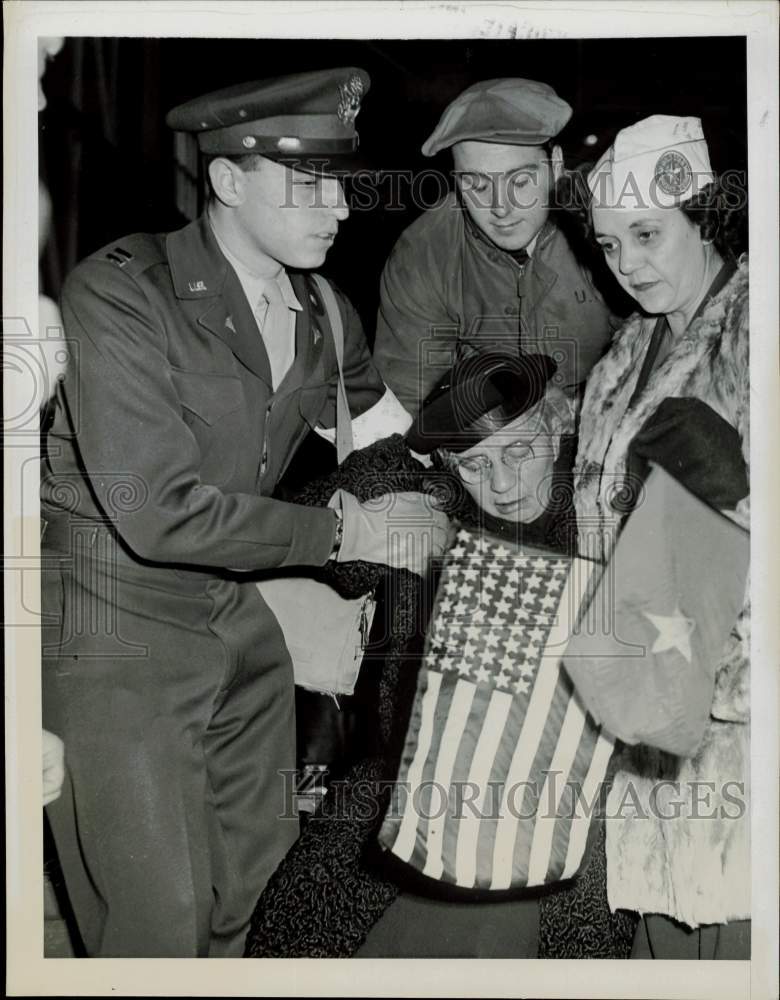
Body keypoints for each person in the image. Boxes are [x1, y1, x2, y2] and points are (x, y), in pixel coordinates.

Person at [40, 67, 448, 958]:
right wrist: (341, 532)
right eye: (309, 184)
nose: (336, 208)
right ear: (227, 181)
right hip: (119, 636)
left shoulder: (325, 312)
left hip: (239, 633)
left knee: (264, 910)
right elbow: (160, 514)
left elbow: (394, 440)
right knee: (156, 926)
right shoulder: (120, 294)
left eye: (339, 184)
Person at [246, 353, 636, 960]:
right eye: (476, 465)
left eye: (518, 452)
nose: (503, 486)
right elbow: (283, 526)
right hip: (407, 785)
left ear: (558, 423)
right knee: (306, 935)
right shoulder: (433, 510)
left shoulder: (601, 512)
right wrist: (374, 511)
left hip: (570, 809)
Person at [564, 115, 750, 958]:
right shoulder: (622, 354)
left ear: (703, 215)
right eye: (609, 245)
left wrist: (743, 491)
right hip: (644, 708)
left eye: (647, 235)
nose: (628, 264)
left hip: (739, 712)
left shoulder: (756, 324)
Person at [373, 77, 625, 417]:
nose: (499, 208)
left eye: (519, 182)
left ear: (556, 164)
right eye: (475, 185)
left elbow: (660, 362)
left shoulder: (609, 224)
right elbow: (408, 404)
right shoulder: (424, 253)